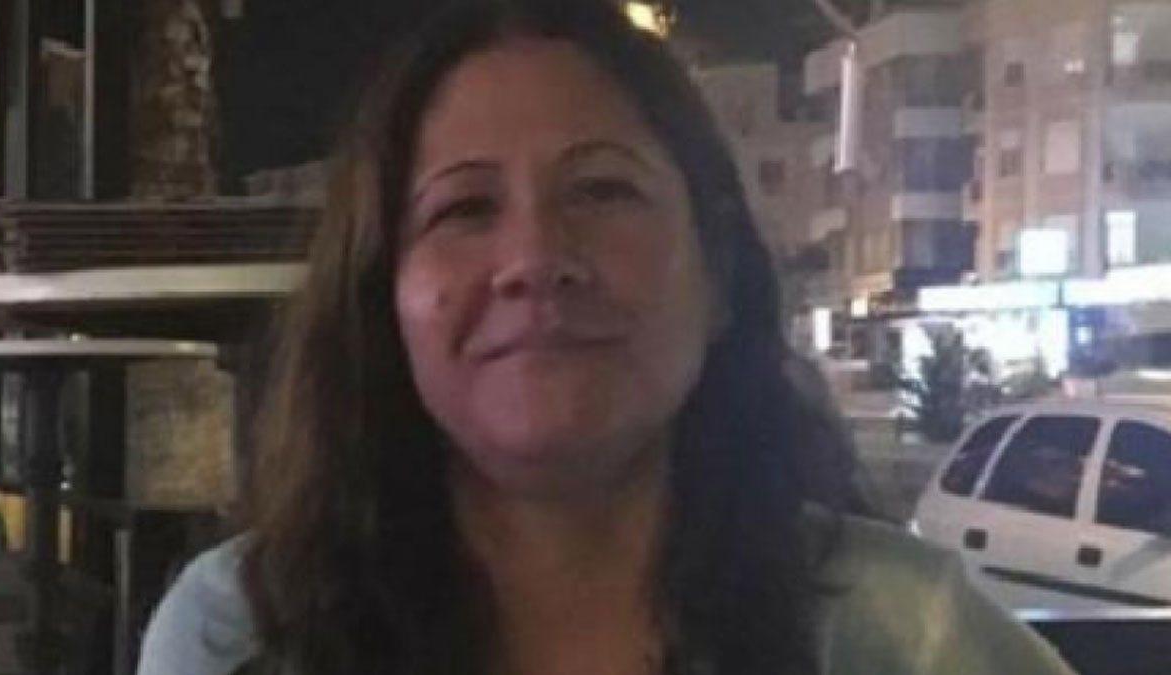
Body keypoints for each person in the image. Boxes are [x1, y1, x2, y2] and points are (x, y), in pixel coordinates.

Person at [137, 1, 1076, 674]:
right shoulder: (238, 636)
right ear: (382, 299)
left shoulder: (909, 638)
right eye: (464, 208)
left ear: (717, 276)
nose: (535, 259)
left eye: (601, 190)